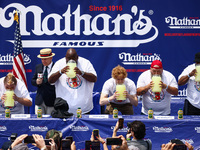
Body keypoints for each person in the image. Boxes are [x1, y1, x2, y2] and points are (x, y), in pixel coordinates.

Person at [48, 48, 97, 114]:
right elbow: (50, 80)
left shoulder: (85, 63)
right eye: (68, 59)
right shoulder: (59, 63)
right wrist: (60, 72)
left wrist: (81, 73)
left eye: (73, 59)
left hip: (83, 109)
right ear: (65, 58)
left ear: (77, 57)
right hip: (64, 109)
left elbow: (94, 79)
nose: (71, 61)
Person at [31, 48, 56, 115]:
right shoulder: (38, 67)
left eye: (45, 59)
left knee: (51, 122)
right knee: (38, 122)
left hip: (51, 101)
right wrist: (37, 82)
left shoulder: (56, 67)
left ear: (51, 58)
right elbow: (32, 81)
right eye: (42, 59)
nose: (43, 61)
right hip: (40, 100)